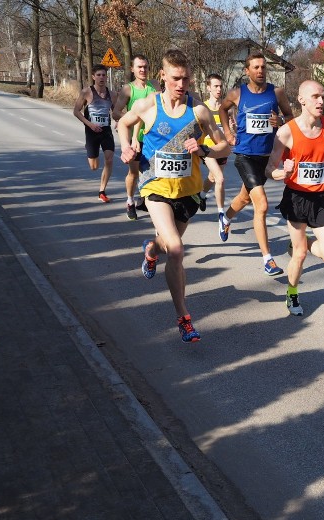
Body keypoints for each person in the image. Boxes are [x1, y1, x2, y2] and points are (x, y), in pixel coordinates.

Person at [117, 49, 230, 343]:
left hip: (188, 192)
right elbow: (122, 123)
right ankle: (184, 318)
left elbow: (225, 147)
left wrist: (204, 149)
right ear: (162, 77)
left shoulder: (200, 112)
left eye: (187, 78)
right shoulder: (147, 106)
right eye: (176, 78)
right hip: (155, 189)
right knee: (178, 250)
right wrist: (126, 146)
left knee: (167, 247)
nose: (182, 84)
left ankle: (151, 251)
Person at [267, 80, 324, 316]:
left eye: (322, 96)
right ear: (301, 100)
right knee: (299, 255)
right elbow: (269, 168)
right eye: (315, 97)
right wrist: (284, 172)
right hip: (296, 198)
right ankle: (292, 294)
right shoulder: (286, 132)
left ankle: (302, 243)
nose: (321, 101)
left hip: (320, 198)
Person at [218, 52, 294, 277]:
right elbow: (222, 109)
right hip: (244, 156)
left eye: (263, 67)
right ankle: (268, 259)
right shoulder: (237, 93)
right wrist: (229, 134)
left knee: (244, 197)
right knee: (261, 205)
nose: (260, 71)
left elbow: (290, 116)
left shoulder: (276, 93)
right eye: (256, 67)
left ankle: (226, 217)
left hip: (266, 157)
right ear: (247, 71)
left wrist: (280, 121)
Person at [112, 54, 157, 220]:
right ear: (133, 69)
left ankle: (145, 199)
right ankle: (130, 201)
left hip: (152, 137)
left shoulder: (155, 85)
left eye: (145, 66)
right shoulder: (128, 89)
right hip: (134, 138)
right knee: (134, 173)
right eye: (139, 67)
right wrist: (129, 119)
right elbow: (116, 111)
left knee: (153, 172)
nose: (143, 70)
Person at [73, 64, 117, 202]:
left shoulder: (113, 94)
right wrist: (90, 125)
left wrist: (119, 120)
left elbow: (116, 112)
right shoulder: (87, 92)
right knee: (94, 167)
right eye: (98, 75)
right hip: (91, 131)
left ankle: (102, 191)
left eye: (103, 75)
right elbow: (76, 111)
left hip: (106, 131)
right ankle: (90, 150)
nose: (101, 77)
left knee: (109, 159)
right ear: (93, 77)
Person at [199, 73, 229, 219]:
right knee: (220, 178)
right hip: (208, 150)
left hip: (222, 150)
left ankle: (202, 195)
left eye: (220, 86)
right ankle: (221, 214)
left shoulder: (226, 108)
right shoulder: (203, 107)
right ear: (208, 87)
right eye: (215, 86)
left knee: (212, 177)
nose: (219, 89)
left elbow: (230, 129)